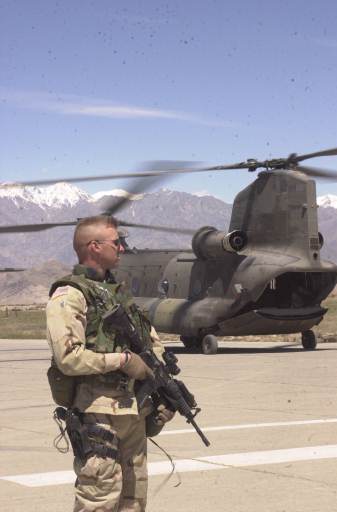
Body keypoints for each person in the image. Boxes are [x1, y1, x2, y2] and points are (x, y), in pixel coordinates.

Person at [46, 215, 175, 512]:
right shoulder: (70, 295)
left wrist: (161, 395)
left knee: (134, 497)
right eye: (116, 242)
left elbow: (151, 346)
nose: (122, 248)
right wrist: (124, 360)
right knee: (99, 499)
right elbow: (68, 358)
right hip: (98, 413)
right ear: (94, 246)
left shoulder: (119, 294)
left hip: (133, 411)